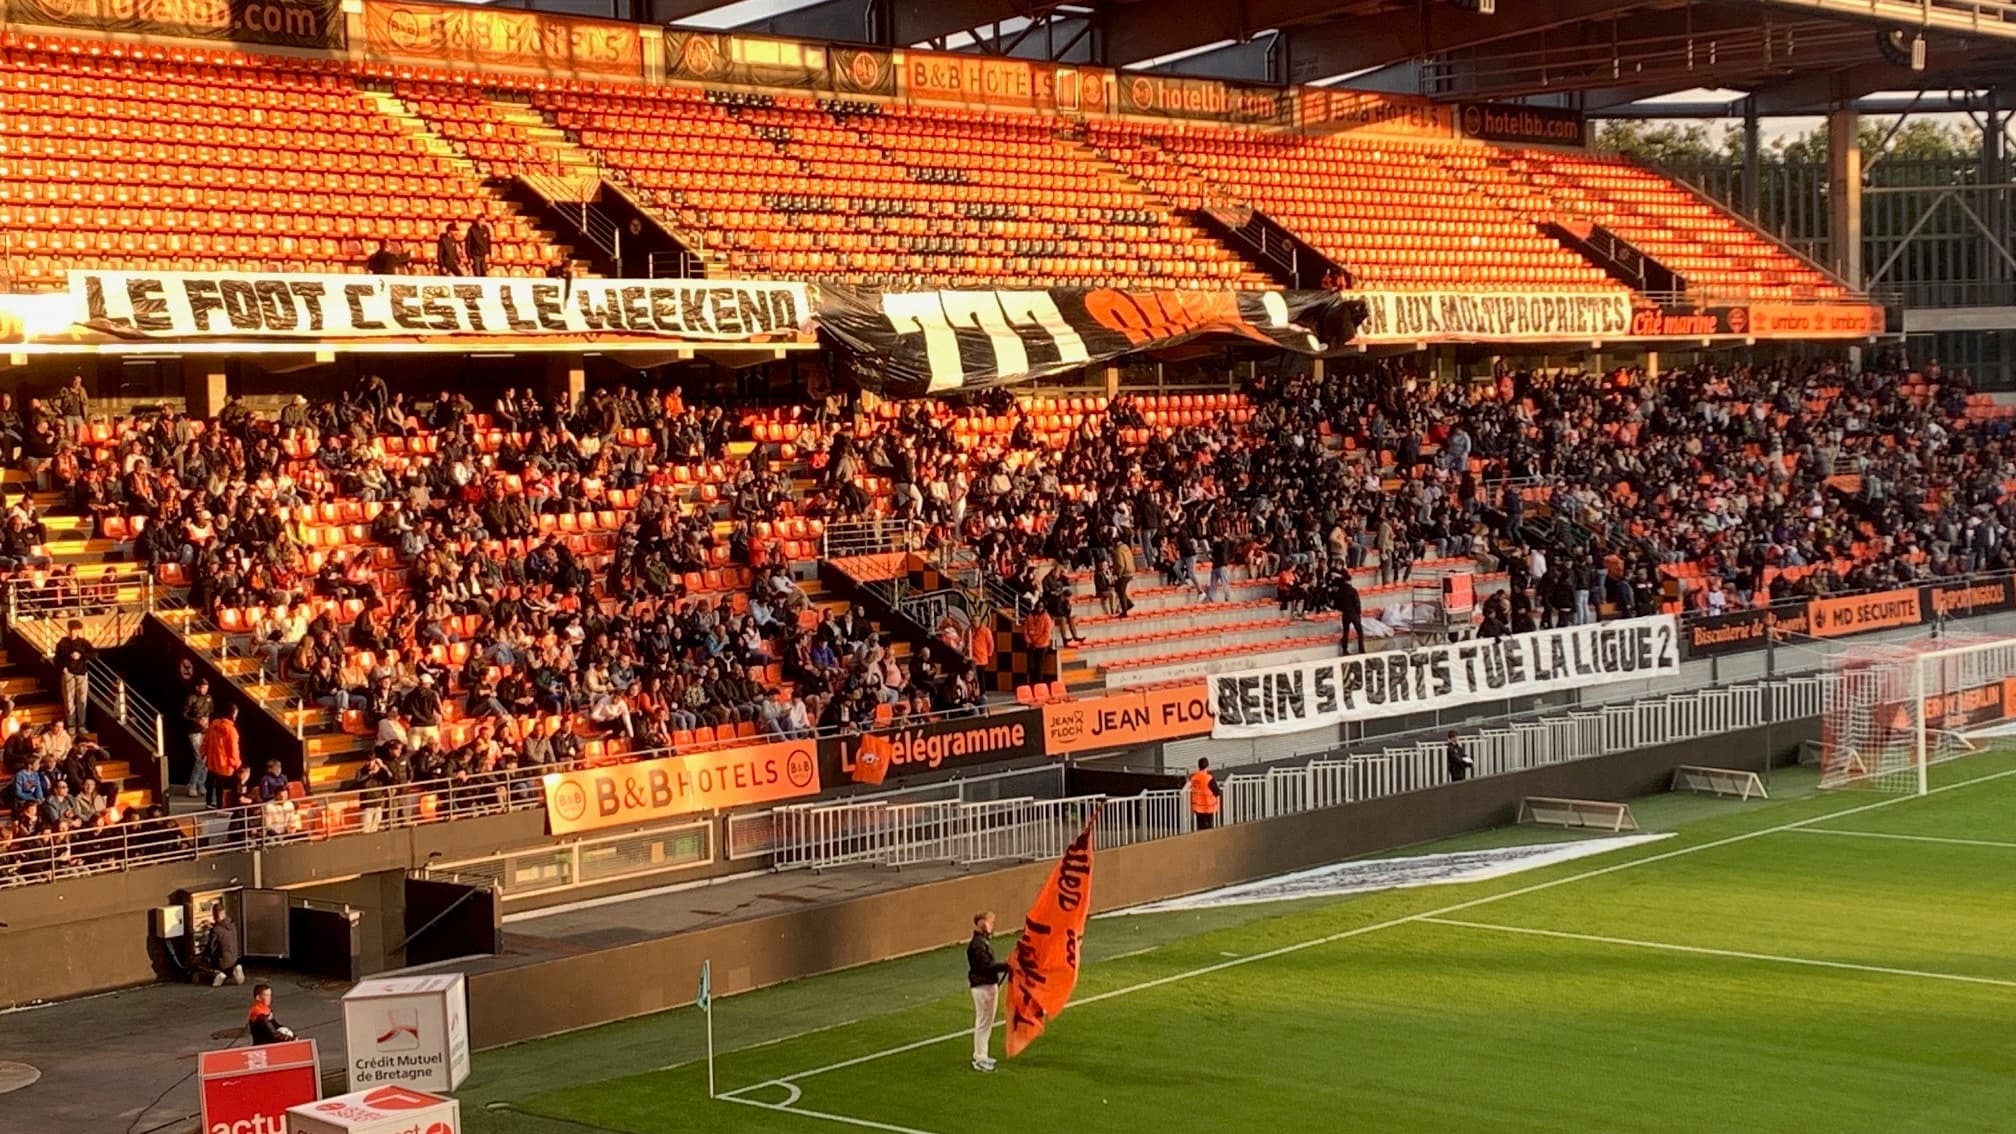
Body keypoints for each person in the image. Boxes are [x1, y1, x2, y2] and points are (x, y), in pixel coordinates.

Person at [966, 911, 1008, 1073]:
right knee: (984, 1022)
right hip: (983, 986)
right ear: (982, 923)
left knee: (986, 1022)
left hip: (986, 985)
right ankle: (980, 1058)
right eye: (990, 922)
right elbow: (985, 967)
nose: (992, 925)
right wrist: (1007, 966)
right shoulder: (978, 944)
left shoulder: (981, 942)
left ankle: (982, 1054)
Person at [52, 619, 93, 731]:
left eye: (75, 630)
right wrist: (63, 668)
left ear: (78, 631)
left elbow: (94, 654)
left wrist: (81, 655)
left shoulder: (83, 642)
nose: (73, 632)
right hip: (68, 674)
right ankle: (71, 725)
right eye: (71, 630)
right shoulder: (62, 642)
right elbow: (56, 659)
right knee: (69, 701)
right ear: (68, 630)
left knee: (81, 700)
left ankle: (81, 725)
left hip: (81, 674)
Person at [203, 703, 242, 810]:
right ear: (233, 714)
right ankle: (221, 805)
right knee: (222, 785)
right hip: (225, 763)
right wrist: (236, 763)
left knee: (211, 781)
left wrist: (204, 753)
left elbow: (206, 740)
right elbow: (233, 749)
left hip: (212, 760)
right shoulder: (231, 731)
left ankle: (209, 802)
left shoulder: (214, 724)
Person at [197, 901, 244, 987]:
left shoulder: (215, 931)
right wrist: (212, 925)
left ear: (214, 915)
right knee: (227, 961)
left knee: (200, 964)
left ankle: (217, 974)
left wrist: (201, 954)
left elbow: (211, 949)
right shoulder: (232, 925)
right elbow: (221, 929)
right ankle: (234, 971)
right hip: (233, 959)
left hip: (222, 963)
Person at [182, 677, 213, 800]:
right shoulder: (191, 698)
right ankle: (192, 784)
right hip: (194, 731)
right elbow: (184, 714)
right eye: (202, 687)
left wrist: (207, 723)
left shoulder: (209, 698)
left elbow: (209, 713)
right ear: (197, 687)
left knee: (206, 758)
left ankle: (201, 783)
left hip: (205, 731)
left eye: (206, 687)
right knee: (199, 758)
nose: (204, 690)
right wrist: (197, 721)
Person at [1188, 756, 1222, 830]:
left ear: (1199, 766)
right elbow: (1217, 792)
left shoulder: (1193, 777)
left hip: (1197, 807)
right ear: (1207, 766)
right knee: (1208, 829)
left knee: (1200, 828)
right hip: (1207, 807)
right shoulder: (1209, 778)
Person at [1335, 572, 1364, 655]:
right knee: (1359, 631)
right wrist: (1358, 613)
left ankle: (1345, 650)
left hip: (1345, 613)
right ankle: (1361, 649)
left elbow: (1337, 604)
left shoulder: (1340, 591)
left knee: (1346, 632)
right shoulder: (1353, 590)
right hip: (1353, 613)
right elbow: (1357, 603)